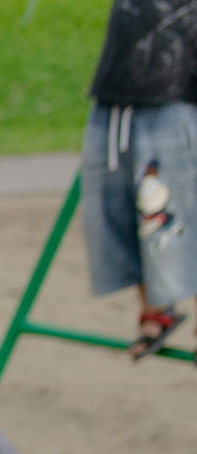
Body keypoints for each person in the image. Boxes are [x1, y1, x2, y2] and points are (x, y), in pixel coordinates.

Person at [82, 0, 197, 358]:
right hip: (115, 96)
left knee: (180, 216)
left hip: (174, 97)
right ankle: (156, 309)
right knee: (117, 216)